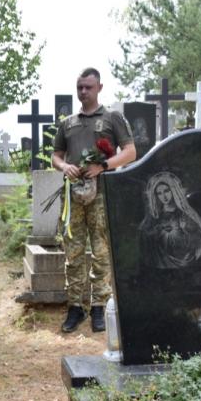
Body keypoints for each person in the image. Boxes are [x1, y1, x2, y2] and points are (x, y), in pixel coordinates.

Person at [52, 68, 136, 333]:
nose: (83, 92)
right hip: (73, 195)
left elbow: (131, 152)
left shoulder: (112, 118)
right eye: (79, 87)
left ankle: (99, 306)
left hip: (102, 193)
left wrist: (104, 166)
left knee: (101, 252)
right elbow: (56, 155)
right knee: (73, 252)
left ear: (99, 87)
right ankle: (75, 307)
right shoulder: (68, 123)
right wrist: (65, 167)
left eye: (88, 87)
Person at [139, 172, 201, 269]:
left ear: (173, 190)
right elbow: (146, 240)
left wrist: (185, 230)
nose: (164, 196)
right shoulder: (155, 218)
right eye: (159, 193)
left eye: (167, 191)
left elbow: (197, 240)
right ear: (156, 196)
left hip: (183, 261)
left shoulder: (185, 215)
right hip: (160, 263)